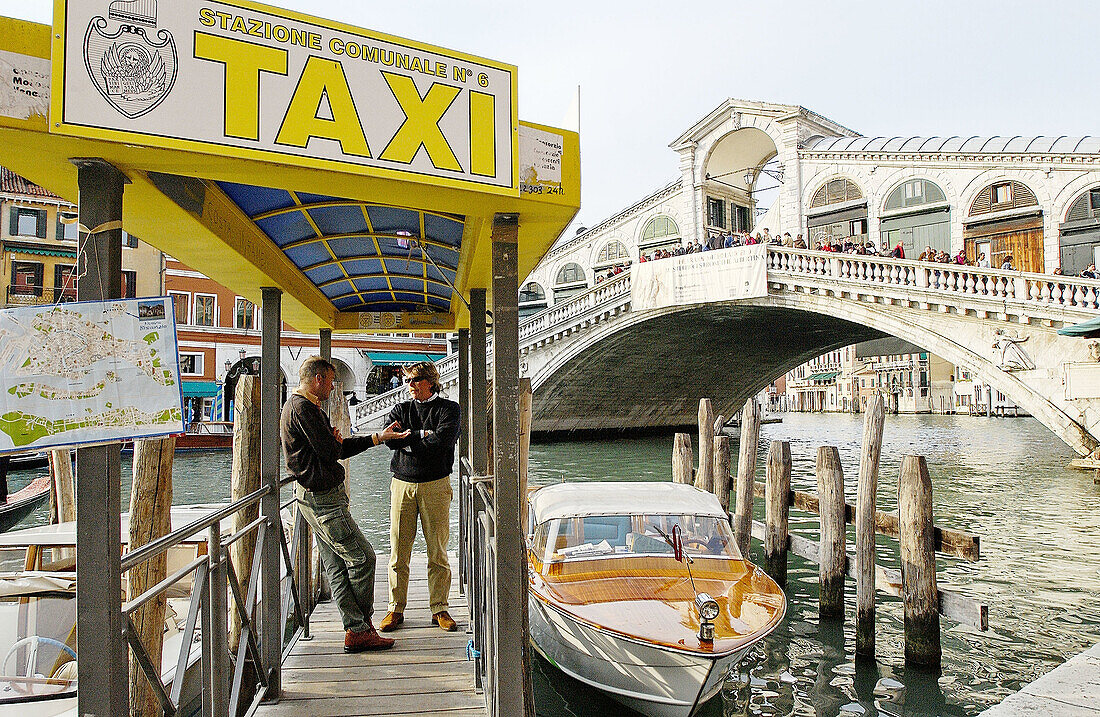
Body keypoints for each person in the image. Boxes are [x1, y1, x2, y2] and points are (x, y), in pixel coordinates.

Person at [281, 356, 409, 652]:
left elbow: (334, 447)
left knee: (336, 565)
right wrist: (335, 442)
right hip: (324, 499)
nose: (332, 387)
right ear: (318, 380)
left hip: (310, 496)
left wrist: (375, 437)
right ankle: (361, 626)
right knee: (364, 558)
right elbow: (331, 451)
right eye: (330, 380)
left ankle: (355, 630)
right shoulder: (304, 409)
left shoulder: (298, 407)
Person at [379, 361, 461, 634]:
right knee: (398, 552)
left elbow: (444, 442)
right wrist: (423, 435)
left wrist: (409, 440)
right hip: (401, 484)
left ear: (430, 382)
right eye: (408, 381)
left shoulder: (449, 409)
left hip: (436, 484)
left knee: (437, 551)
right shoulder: (401, 408)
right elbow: (389, 439)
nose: (409, 386)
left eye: (414, 380)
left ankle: (439, 607)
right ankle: (395, 608)